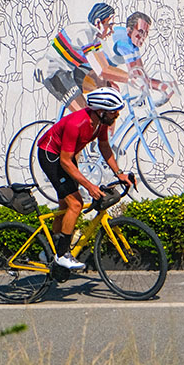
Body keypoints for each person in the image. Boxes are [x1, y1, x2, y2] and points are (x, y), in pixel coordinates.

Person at [35, 87, 133, 270]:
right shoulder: (77, 123)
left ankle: (49, 250)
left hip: (65, 156)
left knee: (65, 205)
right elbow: (65, 161)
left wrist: (119, 173)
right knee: (76, 204)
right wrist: (88, 185)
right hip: (51, 156)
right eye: (114, 111)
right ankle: (62, 255)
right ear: (101, 110)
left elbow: (104, 147)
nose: (118, 114)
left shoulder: (100, 123)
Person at [35, 3, 127, 114]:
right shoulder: (84, 34)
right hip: (53, 72)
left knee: (109, 90)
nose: (112, 30)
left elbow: (104, 66)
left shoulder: (95, 38)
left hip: (71, 71)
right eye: (110, 25)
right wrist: (131, 78)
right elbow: (101, 70)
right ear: (98, 23)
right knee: (85, 116)